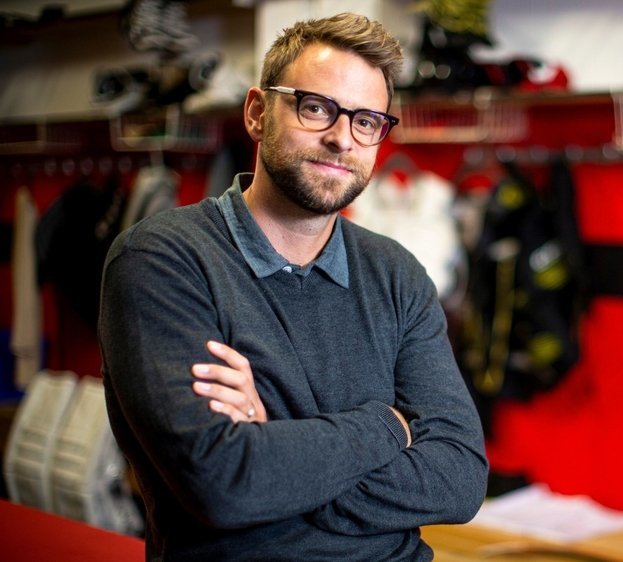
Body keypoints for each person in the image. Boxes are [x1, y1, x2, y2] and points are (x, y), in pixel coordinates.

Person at [98, 13, 488, 561]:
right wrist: (386, 425)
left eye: (366, 121)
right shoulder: (164, 260)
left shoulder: (396, 274)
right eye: (315, 107)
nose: (340, 138)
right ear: (258, 113)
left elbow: (460, 479)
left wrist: (276, 447)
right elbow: (227, 484)